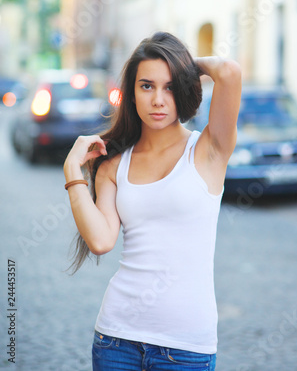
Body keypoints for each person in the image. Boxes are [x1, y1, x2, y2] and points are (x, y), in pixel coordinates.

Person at [63, 31, 242, 371]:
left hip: (186, 348)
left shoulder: (208, 150)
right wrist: (73, 170)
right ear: (131, 93)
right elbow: (101, 241)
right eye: (146, 86)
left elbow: (230, 72)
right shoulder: (114, 164)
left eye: (170, 86)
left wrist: (187, 66)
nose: (158, 99)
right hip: (116, 341)